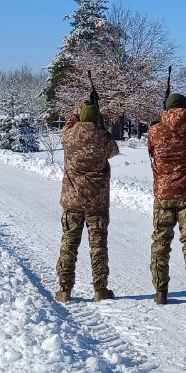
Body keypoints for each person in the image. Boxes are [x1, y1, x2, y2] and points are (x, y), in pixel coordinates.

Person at [54, 103, 119, 303]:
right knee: (98, 245)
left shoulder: (69, 136)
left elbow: (67, 125)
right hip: (97, 202)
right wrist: (100, 125)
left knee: (69, 244)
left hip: (72, 200)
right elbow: (114, 150)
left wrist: (77, 110)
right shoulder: (104, 137)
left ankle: (65, 289)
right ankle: (100, 288)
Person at [147, 93, 186, 306]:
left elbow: (151, 152)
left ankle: (161, 291)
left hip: (163, 193)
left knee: (161, 241)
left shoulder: (154, 131)